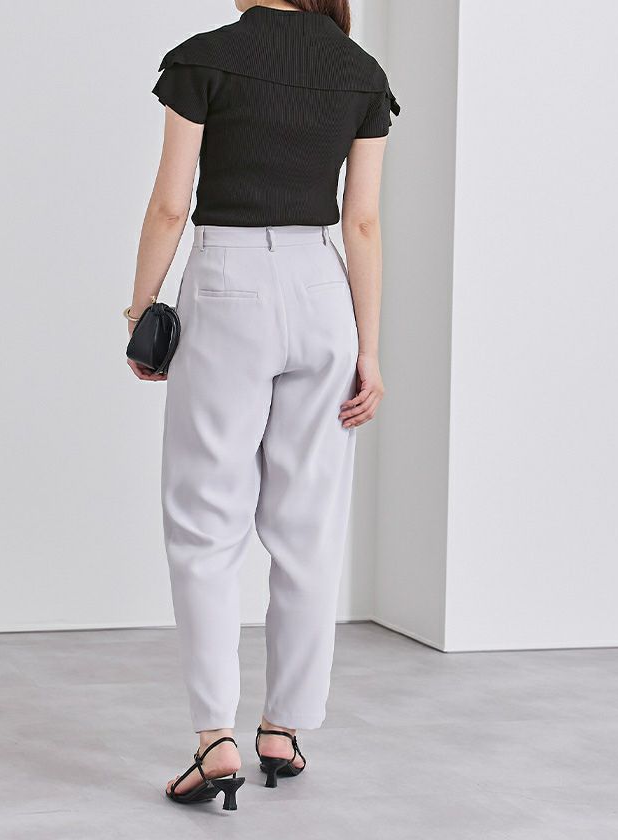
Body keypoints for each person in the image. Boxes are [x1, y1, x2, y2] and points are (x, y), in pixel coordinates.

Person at [124, 0, 398, 811]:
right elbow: (363, 222)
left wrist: (141, 312)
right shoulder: (360, 72)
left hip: (228, 284)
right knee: (308, 526)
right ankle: (283, 729)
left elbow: (171, 205)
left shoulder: (204, 58)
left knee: (206, 520)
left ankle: (216, 739)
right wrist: (369, 351)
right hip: (324, 293)